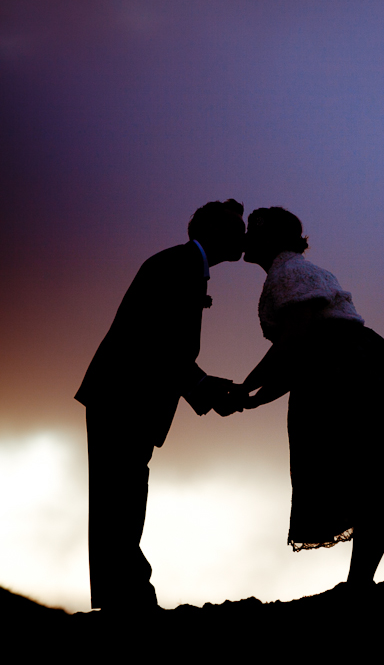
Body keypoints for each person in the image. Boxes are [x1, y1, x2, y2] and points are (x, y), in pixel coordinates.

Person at [229, 206, 384, 585]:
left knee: (365, 477)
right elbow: (302, 350)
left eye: (254, 232)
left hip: (343, 378)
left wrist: (248, 385)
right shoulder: (294, 273)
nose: (246, 239)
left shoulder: (289, 274)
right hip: (346, 369)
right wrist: (257, 396)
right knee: (370, 480)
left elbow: (297, 338)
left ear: (270, 239)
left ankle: (360, 584)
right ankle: (361, 582)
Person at [75, 199, 246, 609]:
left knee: (120, 497)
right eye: (237, 230)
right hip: (123, 398)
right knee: (120, 498)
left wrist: (205, 387)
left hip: (123, 397)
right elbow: (155, 342)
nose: (243, 237)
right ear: (217, 234)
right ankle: (129, 596)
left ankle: (124, 594)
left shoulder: (182, 265)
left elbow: (166, 348)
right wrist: (204, 387)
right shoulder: (179, 267)